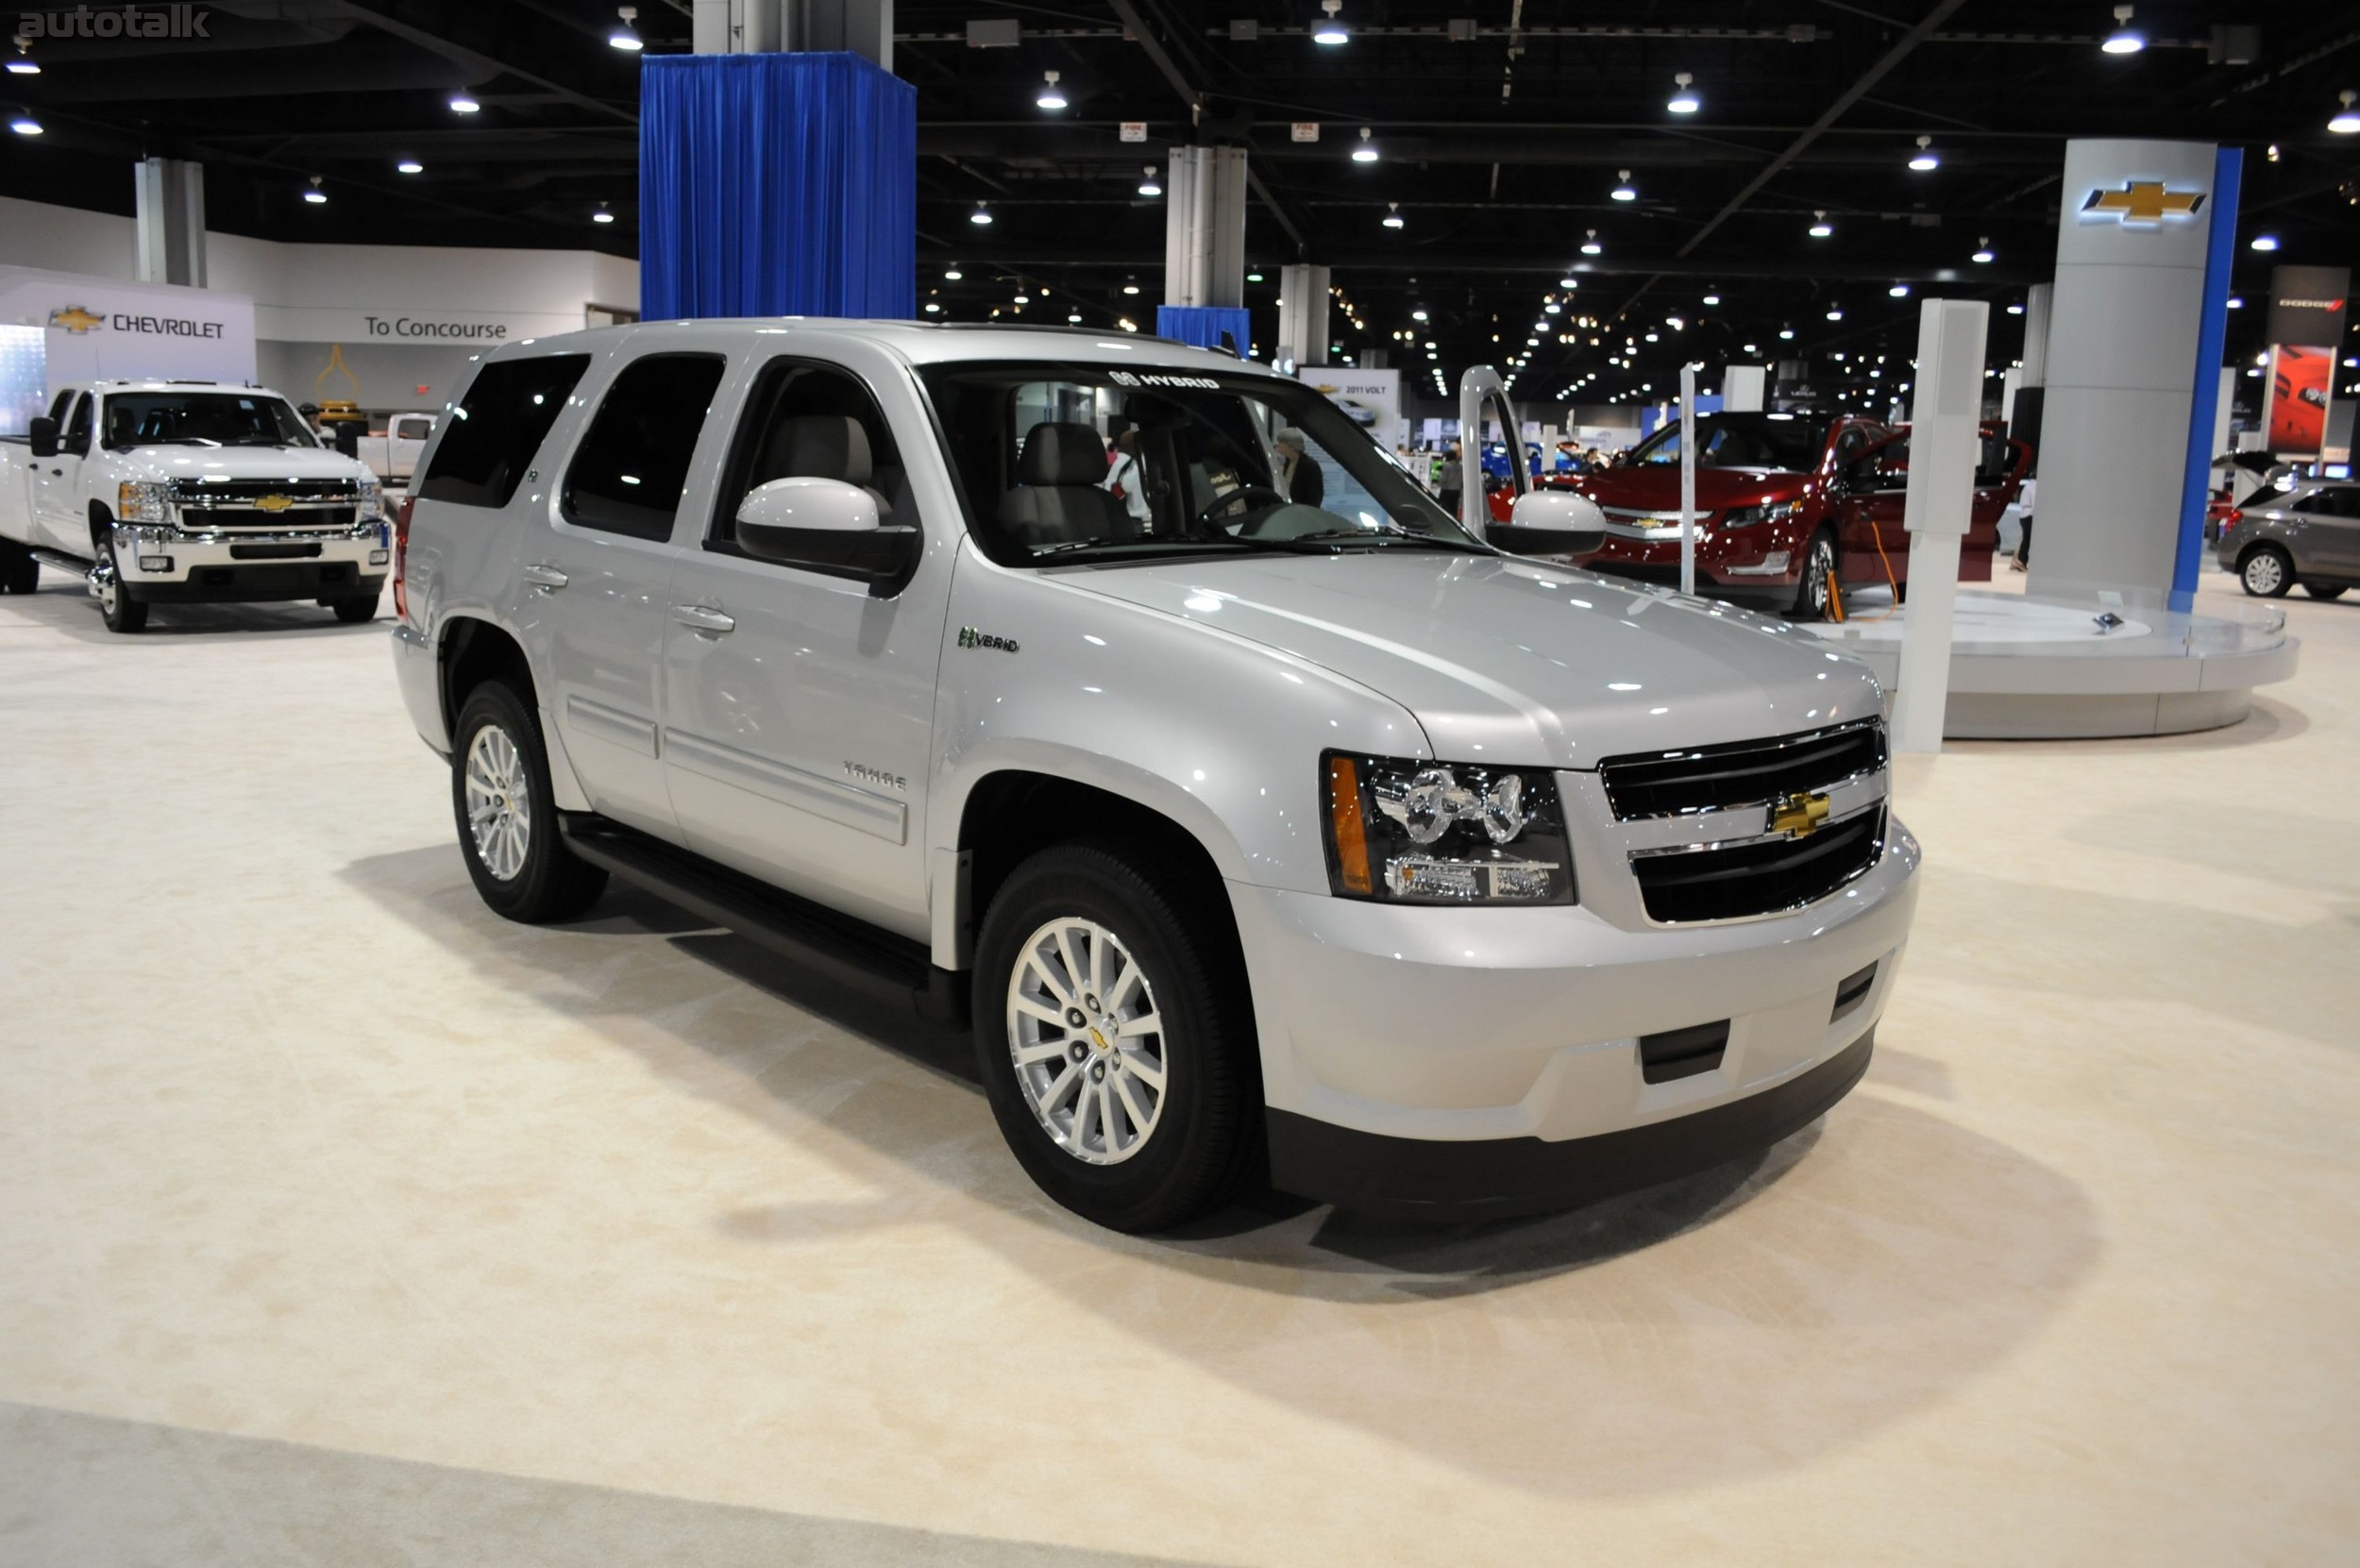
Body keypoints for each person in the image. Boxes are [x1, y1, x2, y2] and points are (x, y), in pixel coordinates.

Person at [1102, 427, 1150, 526]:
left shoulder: (1119, 461)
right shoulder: (1132, 464)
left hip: (1119, 517)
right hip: (1131, 520)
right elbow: (1127, 485)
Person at [1273, 427, 1324, 508]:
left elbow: (1315, 497)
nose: (1278, 445)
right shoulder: (1288, 462)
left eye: (1281, 442)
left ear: (1291, 446)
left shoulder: (1310, 466)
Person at [1437, 442, 1463, 519]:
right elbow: (1461, 480)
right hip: (1456, 491)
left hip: (1446, 490)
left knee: (1445, 509)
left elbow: (1443, 478)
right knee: (1454, 509)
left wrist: (1439, 483)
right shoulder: (1460, 466)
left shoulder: (1446, 465)